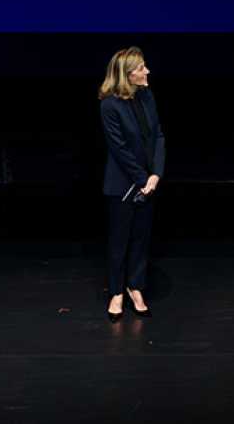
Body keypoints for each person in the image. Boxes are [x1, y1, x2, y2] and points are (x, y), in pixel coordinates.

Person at [99, 46, 166, 322]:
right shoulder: (109, 105)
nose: (147, 71)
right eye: (141, 68)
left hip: (148, 182)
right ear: (128, 75)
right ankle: (116, 291)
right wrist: (142, 179)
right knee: (120, 241)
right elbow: (119, 148)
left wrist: (156, 175)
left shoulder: (147, 96)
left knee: (141, 238)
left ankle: (135, 286)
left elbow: (159, 135)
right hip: (123, 184)